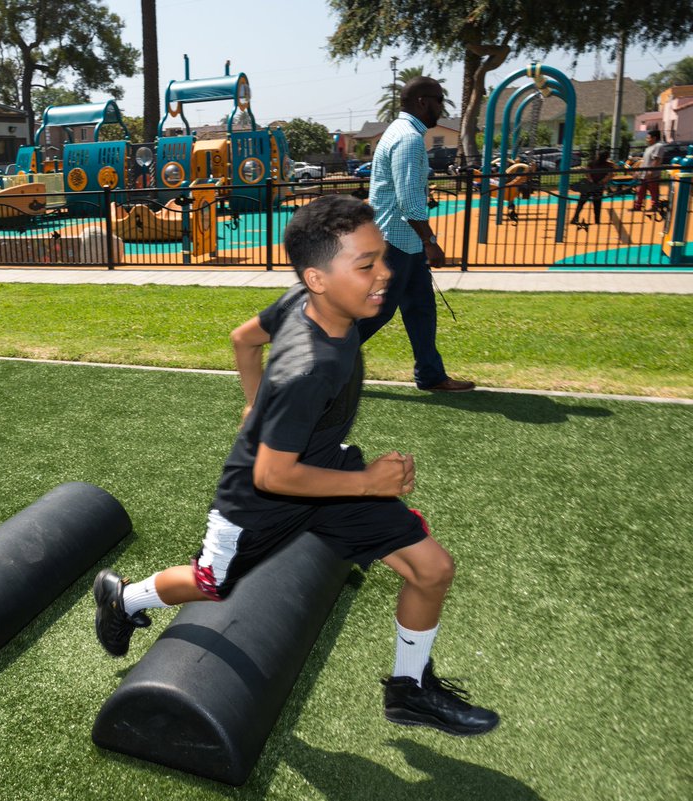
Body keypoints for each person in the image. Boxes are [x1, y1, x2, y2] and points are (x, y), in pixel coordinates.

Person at [93, 194, 499, 737]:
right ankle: (123, 598)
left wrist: (252, 400)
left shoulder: (306, 300)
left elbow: (242, 340)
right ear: (319, 277)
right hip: (260, 500)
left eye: (381, 257)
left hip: (324, 472)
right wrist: (367, 481)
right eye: (367, 265)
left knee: (432, 569)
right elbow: (271, 476)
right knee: (212, 583)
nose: (385, 273)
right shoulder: (307, 369)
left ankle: (409, 690)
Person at [364, 77, 474, 393]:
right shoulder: (408, 138)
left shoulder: (400, 134)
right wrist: (431, 243)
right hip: (394, 242)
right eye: (440, 100)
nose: (443, 107)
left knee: (422, 310)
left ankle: (431, 375)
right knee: (376, 312)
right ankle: (322, 366)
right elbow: (409, 201)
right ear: (423, 101)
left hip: (404, 242)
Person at [571, 151, 614, 225]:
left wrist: (591, 180)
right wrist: (602, 181)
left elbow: (587, 172)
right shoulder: (609, 165)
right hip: (599, 186)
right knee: (597, 204)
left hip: (589, 185)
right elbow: (611, 174)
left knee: (581, 202)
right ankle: (597, 220)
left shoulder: (592, 163)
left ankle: (575, 218)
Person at [633, 129, 665, 212]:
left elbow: (657, 159)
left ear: (654, 138)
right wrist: (639, 171)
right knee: (640, 190)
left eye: (648, 138)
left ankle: (654, 206)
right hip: (644, 173)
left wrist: (651, 171)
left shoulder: (658, 146)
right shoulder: (649, 148)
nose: (647, 139)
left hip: (652, 174)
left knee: (653, 190)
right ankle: (637, 206)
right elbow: (644, 161)